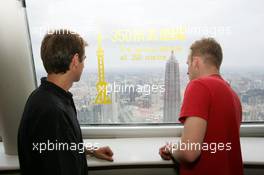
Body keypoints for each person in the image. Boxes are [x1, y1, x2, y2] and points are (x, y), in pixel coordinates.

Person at [18, 29, 113, 175]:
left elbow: (56, 147)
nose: (84, 65)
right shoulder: (54, 113)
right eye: (84, 59)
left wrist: (91, 151)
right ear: (75, 60)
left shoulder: (43, 97)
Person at [159, 38, 243, 175]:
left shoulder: (199, 85)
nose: (188, 73)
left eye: (188, 65)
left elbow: (189, 153)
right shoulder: (234, 96)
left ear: (196, 62)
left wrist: (171, 148)